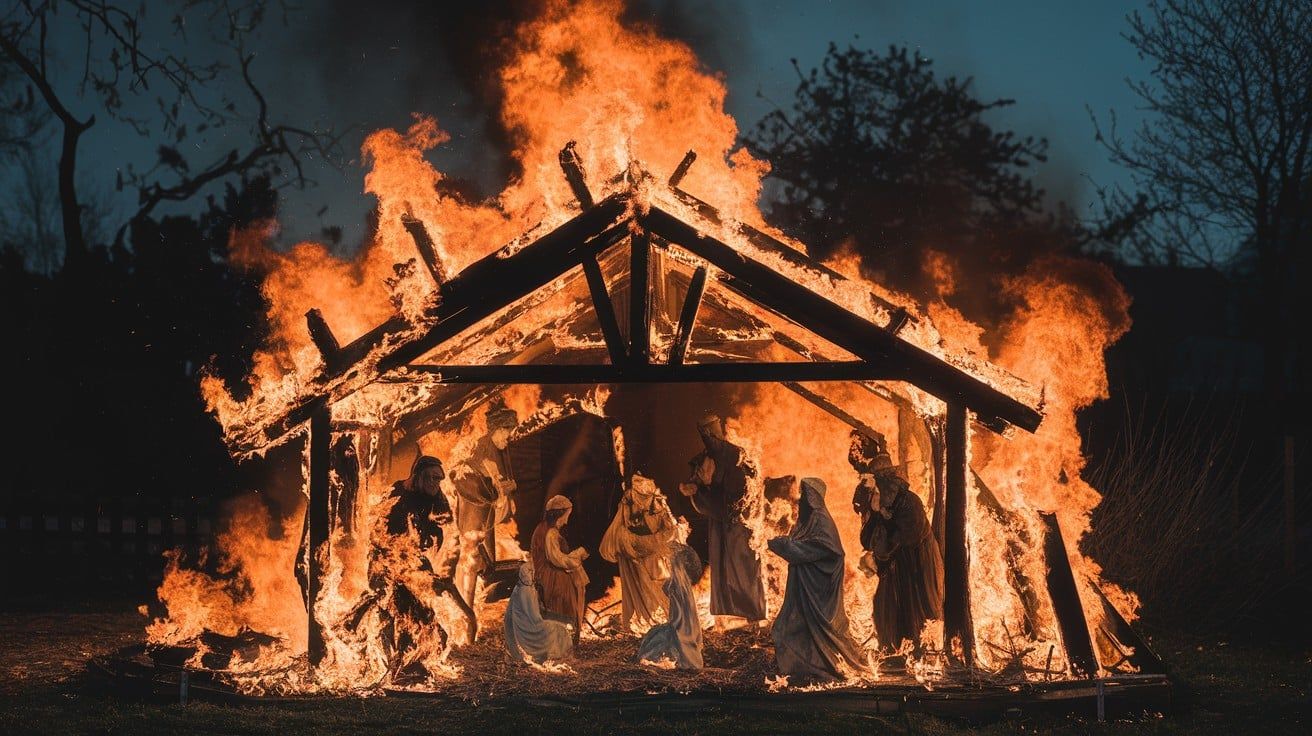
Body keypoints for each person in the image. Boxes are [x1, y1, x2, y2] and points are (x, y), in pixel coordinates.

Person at [767, 477, 867, 684]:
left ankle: (817, 670)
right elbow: (801, 544)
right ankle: (801, 670)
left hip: (819, 589)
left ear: (812, 497)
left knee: (807, 630)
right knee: (787, 629)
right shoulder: (807, 520)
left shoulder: (820, 519)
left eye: (804, 494)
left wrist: (786, 546)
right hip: (804, 587)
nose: (800, 499)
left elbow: (826, 549)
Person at [676, 413, 767, 623]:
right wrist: (692, 487)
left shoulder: (737, 454)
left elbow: (748, 486)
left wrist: (734, 508)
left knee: (743, 564)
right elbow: (697, 479)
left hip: (739, 520)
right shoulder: (706, 458)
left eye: (709, 431)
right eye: (704, 433)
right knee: (723, 564)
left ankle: (752, 611)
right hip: (718, 518)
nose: (707, 436)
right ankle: (730, 612)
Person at [860, 451, 944, 653]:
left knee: (915, 607)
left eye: (876, 481)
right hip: (895, 564)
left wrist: (882, 552)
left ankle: (920, 648)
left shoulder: (909, 501)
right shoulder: (881, 501)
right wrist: (874, 513)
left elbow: (908, 534)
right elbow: (869, 538)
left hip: (916, 564)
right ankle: (892, 648)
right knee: (885, 604)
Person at [451, 400, 519, 607]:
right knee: (470, 561)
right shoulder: (479, 450)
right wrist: (499, 490)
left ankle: (469, 605)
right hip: (473, 519)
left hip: (484, 520)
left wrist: (504, 491)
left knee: (479, 564)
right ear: (498, 429)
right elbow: (468, 481)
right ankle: (464, 607)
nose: (509, 438)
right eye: (507, 433)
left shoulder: (495, 452)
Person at [600, 474, 676, 631]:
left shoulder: (657, 504)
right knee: (642, 587)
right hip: (636, 554)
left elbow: (669, 529)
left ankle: (661, 618)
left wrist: (656, 539)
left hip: (654, 553)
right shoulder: (628, 503)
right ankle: (647, 620)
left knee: (659, 583)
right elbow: (624, 528)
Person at [530, 495, 590, 643]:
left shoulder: (543, 528)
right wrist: (577, 557)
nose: (566, 520)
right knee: (568, 591)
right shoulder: (551, 533)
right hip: (550, 575)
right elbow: (557, 559)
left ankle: (563, 636)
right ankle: (564, 636)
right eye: (566, 516)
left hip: (545, 571)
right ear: (559, 514)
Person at [636, 542, 705, 670]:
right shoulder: (681, 585)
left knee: (659, 639)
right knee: (656, 635)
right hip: (682, 623)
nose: (669, 565)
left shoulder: (679, 586)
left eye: (672, 563)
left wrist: (674, 626)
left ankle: (678, 660)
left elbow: (679, 611)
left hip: (680, 625)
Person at [503, 560, 574, 665]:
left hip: (529, 623)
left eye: (532, 572)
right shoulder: (526, 590)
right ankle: (555, 656)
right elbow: (534, 617)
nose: (533, 575)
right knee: (559, 628)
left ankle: (556, 655)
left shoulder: (521, 587)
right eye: (530, 572)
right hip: (530, 627)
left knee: (558, 626)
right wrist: (551, 619)